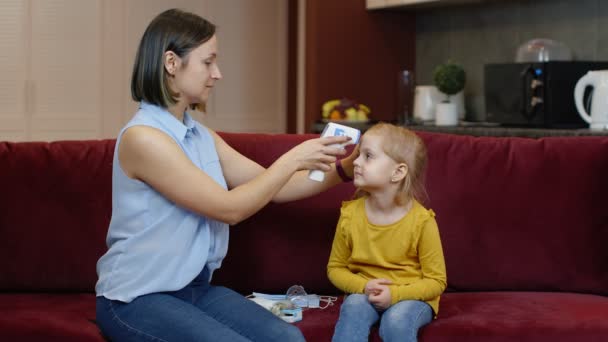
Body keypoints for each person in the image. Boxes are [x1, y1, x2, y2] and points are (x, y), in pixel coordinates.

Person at [95, 8, 357, 342]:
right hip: (136, 298)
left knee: (288, 338)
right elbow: (228, 209)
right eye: (208, 62)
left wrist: (344, 169)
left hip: (193, 290)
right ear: (171, 63)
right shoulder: (143, 138)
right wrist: (292, 159)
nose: (216, 74)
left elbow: (278, 187)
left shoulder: (202, 136)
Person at [327, 123, 447, 342]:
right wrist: (364, 286)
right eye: (359, 154)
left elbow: (436, 281)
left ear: (398, 172)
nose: (355, 161)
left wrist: (396, 295)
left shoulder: (422, 221)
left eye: (368, 156)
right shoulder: (349, 214)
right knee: (353, 305)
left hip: (411, 296)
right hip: (365, 293)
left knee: (397, 320)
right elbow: (335, 268)